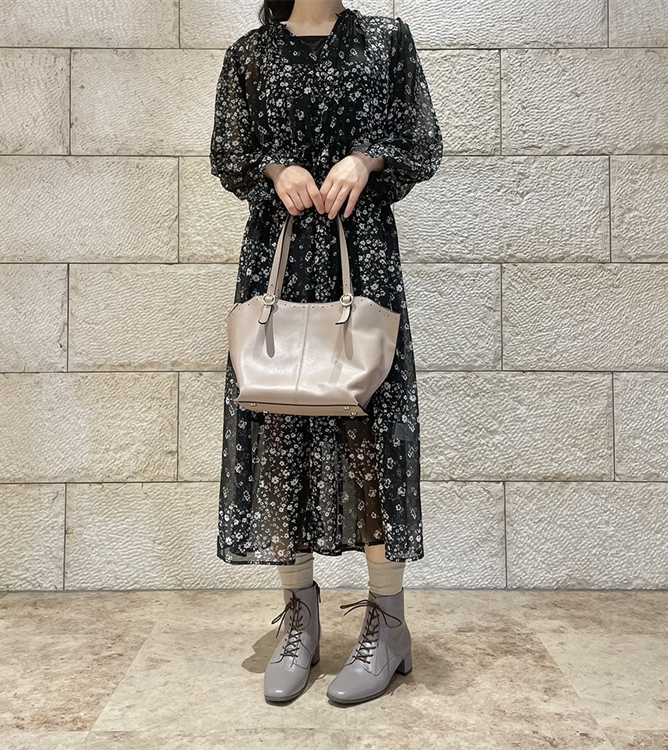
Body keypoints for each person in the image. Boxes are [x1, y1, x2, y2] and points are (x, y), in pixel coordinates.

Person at [209, 0, 442, 705]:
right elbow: (227, 151)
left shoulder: (385, 39)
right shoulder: (250, 54)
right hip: (277, 266)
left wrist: (365, 160)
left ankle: (388, 624)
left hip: (360, 264)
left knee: (371, 431)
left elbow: (421, 139)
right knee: (279, 423)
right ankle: (299, 619)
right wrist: (275, 168)